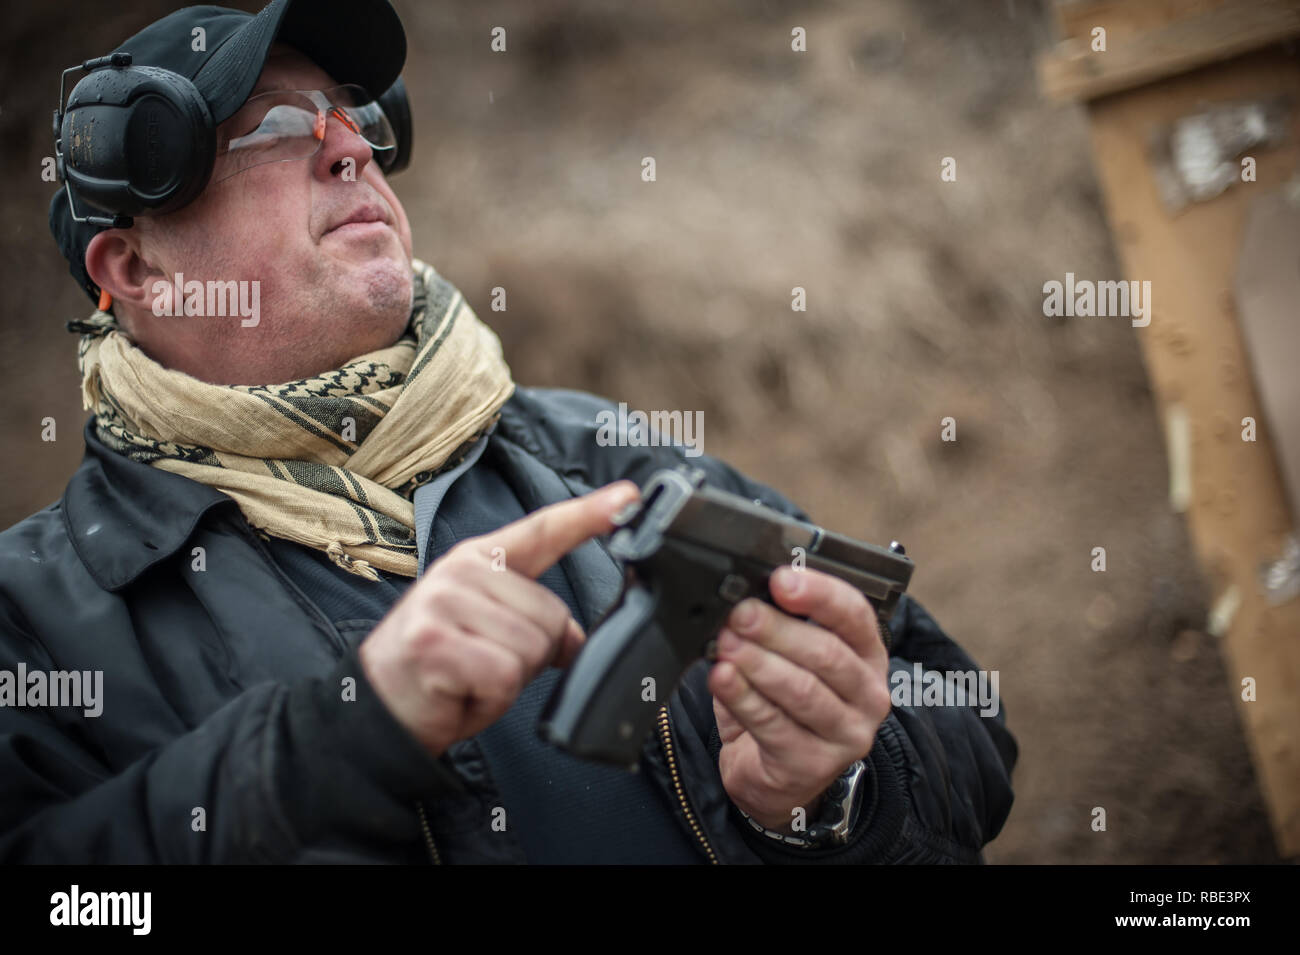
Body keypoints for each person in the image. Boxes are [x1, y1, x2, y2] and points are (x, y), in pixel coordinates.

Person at [0, 0, 1017, 864]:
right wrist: (336, 741)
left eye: (351, 121)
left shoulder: (609, 454)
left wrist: (833, 797)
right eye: (273, 129)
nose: (349, 145)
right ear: (133, 270)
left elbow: (965, 717)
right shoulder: (36, 616)